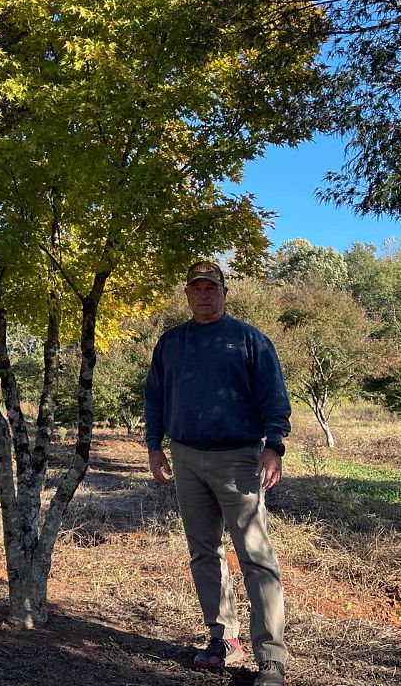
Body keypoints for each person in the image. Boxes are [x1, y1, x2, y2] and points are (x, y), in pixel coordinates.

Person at [144, 261, 290, 686]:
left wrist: (274, 447)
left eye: (212, 287)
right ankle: (223, 638)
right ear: (187, 294)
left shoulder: (249, 341)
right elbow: (155, 395)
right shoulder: (171, 343)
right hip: (186, 456)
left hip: (238, 459)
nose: (204, 294)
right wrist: (155, 446)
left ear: (225, 293)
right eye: (196, 288)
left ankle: (271, 659)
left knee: (256, 557)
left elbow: (274, 399)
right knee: (204, 552)